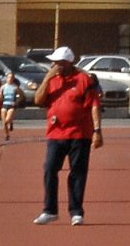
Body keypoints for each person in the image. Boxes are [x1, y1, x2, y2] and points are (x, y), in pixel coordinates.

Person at [32, 46, 103, 226]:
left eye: (58, 63)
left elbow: (94, 106)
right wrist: (47, 78)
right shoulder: (52, 80)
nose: (55, 65)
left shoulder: (84, 80)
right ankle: (50, 211)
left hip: (80, 134)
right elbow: (38, 100)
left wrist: (97, 131)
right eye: (54, 63)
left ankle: (76, 212)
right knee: (50, 169)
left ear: (68, 63)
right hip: (56, 133)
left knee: (77, 173)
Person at [0, 72, 23, 141]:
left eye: (11, 77)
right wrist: (0, 97)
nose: (10, 79)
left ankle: (10, 122)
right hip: (4, 104)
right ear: (7, 78)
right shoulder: (3, 87)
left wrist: (16, 102)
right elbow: (0, 96)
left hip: (11, 105)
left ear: (13, 79)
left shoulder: (15, 87)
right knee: (4, 122)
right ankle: (7, 135)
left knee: (7, 120)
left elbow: (21, 96)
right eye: (9, 77)